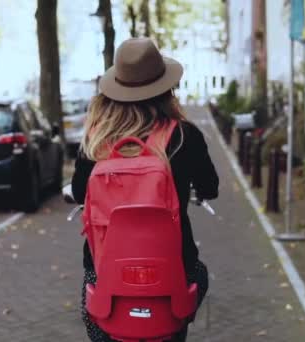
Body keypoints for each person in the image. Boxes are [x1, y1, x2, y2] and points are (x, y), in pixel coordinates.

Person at [71, 38, 219, 342]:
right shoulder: (184, 136)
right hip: (174, 273)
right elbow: (210, 187)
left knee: (95, 308)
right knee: (197, 279)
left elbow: (77, 191)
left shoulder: (95, 141)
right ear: (167, 89)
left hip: (104, 276)